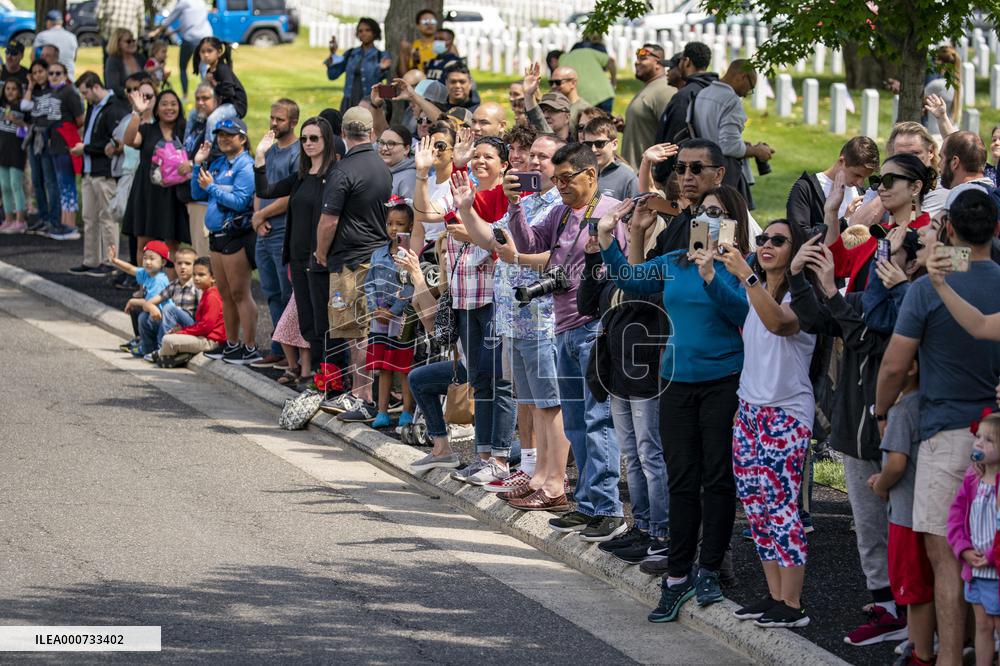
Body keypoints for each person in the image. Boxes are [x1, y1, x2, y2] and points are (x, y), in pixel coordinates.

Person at [597, 187, 750, 621]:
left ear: (735, 221)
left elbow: (744, 316)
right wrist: (610, 239)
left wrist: (712, 276)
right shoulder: (672, 263)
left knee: (717, 479)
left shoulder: (741, 267)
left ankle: (710, 570)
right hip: (676, 383)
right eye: (704, 211)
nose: (709, 217)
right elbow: (629, 281)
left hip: (723, 382)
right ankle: (678, 575)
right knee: (682, 479)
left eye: (719, 213)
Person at [876, 187, 1000, 666]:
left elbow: (893, 365)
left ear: (947, 229)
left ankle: (949, 657)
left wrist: (881, 410)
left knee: (947, 556)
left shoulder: (929, 288)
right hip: (994, 429)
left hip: (946, 434)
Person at [507, 143, 626, 541]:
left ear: (590, 175)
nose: (560, 187)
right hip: (562, 327)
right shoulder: (559, 213)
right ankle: (587, 504)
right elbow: (528, 246)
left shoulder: (611, 211)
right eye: (555, 180)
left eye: (567, 179)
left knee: (598, 419)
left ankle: (608, 507)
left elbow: (622, 265)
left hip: (595, 326)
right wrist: (515, 207)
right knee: (576, 423)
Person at [456, 132, 570, 506]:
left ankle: (555, 480)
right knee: (534, 401)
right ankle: (537, 474)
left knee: (551, 402)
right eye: (532, 156)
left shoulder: (560, 205)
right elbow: (492, 239)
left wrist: (517, 259)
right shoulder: (525, 200)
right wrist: (467, 208)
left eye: (544, 157)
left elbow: (556, 258)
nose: (534, 163)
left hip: (543, 318)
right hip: (514, 317)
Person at [717, 219, 816, 629]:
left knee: (782, 508)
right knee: (756, 510)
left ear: (794, 251)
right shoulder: (753, 289)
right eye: (762, 239)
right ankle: (774, 596)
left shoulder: (803, 298)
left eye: (778, 240)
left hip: (785, 414)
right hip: (750, 411)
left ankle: (793, 604)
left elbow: (780, 323)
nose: (767, 244)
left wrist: (747, 273)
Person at [579, 193, 670, 562]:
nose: (630, 229)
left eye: (638, 226)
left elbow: (634, 288)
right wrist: (590, 257)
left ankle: (661, 531)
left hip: (647, 375)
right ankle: (643, 525)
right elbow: (587, 304)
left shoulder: (656, 271)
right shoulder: (617, 269)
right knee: (632, 456)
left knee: (650, 455)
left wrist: (627, 241)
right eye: (628, 225)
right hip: (617, 374)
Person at [314, 106, 393, 418]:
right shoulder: (382, 166)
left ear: (343, 134)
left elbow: (328, 222)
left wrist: (321, 252)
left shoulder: (343, 170)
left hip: (349, 259)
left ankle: (360, 395)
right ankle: (365, 392)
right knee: (368, 328)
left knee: (352, 331)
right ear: (372, 133)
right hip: (377, 256)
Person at [254, 116, 338, 376]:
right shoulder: (301, 176)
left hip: (321, 258)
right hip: (298, 258)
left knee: (322, 320)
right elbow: (266, 190)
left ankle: (327, 375)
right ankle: (313, 374)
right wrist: (260, 158)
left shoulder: (334, 175)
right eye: (304, 139)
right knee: (306, 319)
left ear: (326, 140)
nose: (308, 143)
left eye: (314, 138)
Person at [868, 358, 934, 666]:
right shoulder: (931, 404)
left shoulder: (902, 410)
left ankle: (919, 653)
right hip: (930, 511)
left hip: (905, 515)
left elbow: (895, 463)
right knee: (934, 582)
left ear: (910, 369)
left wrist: (880, 484)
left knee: (913, 591)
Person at [191, 118, 258, 365]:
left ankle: (250, 346)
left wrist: (213, 188)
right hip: (217, 236)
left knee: (240, 292)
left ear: (242, 138)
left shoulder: (245, 165)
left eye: (230, 134)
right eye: (220, 134)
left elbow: (241, 201)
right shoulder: (217, 163)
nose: (223, 138)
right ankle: (231, 343)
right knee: (225, 293)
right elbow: (197, 192)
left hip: (235, 235)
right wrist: (198, 165)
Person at [822, 154, 935, 293]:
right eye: (878, 181)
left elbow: (965, 261)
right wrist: (831, 212)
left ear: (915, 187)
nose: (880, 188)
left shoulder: (933, 234)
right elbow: (838, 263)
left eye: (889, 180)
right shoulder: (880, 234)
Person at [947, 413, 1000, 666]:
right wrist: (963, 549)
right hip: (976, 572)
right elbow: (955, 518)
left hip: (996, 572)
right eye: (978, 436)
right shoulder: (972, 479)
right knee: (981, 625)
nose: (978, 443)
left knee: (997, 625)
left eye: (989, 440)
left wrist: (991, 557)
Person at [251, 99, 300, 368]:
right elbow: (261, 188)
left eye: (279, 119)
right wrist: (257, 218)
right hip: (263, 230)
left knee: (286, 293)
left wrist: (263, 215)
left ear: (293, 122)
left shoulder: (298, 152)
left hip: (283, 230)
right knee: (269, 291)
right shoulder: (268, 150)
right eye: (272, 118)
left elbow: (291, 194)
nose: (273, 123)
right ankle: (276, 347)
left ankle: (287, 350)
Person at [362, 198, 416, 428]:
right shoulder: (378, 255)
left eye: (400, 224)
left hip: (401, 319)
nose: (394, 228)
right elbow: (370, 283)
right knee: (383, 366)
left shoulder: (411, 256)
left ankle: (406, 411)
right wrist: (375, 308)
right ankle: (382, 411)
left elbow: (411, 286)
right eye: (390, 223)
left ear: (410, 227)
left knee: (404, 365)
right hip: (380, 318)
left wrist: (393, 311)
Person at [68, 72, 128, 276]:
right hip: (89, 170)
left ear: (95, 87)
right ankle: (91, 259)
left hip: (104, 171)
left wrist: (85, 148)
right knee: (89, 217)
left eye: (85, 92)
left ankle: (110, 261)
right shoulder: (93, 106)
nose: (84, 97)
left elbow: (115, 142)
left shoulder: (114, 108)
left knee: (107, 218)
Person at [691, 59, 772, 210]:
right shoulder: (731, 101)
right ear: (742, 77)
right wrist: (757, 151)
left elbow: (713, 134)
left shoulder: (704, 92)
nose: (748, 94)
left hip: (701, 166)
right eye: (751, 87)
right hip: (723, 174)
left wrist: (744, 145)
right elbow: (729, 147)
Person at [122, 88, 189, 253]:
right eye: (164, 104)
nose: (169, 108)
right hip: (147, 192)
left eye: (173, 104)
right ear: (157, 109)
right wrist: (137, 112)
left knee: (173, 243)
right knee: (145, 243)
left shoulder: (185, 130)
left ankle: (170, 279)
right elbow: (129, 140)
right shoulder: (147, 130)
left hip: (175, 194)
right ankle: (145, 279)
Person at [22, 60, 83, 240]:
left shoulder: (66, 92)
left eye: (57, 73)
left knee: (58, 183)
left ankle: (63, 224)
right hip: (45, 141)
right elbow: (25, 107)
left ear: (65, 75)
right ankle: (54, 221)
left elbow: (79, 119)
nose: (53, 76)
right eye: (52, 73)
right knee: (46, 182)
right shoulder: (49, 92)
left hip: (59, 143)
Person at [785, 136, 879, 235]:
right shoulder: (805, 189)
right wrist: (845, 222)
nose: (860, 183)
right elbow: (800, 235)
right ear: (841, 161)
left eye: (865, 177)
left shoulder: (859, 192)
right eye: (857, 175)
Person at [653, 42, 716, 180]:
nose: (668, 70)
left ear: (686, 62)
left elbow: (674, 141)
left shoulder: (684, 96)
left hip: (681, 175)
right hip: (708, 168)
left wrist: (661, 175)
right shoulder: (714, 93)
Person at [157, 256, 227, 368]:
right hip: (204, 337)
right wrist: (182, 330)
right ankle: (173, 356)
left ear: (213, 278)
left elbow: (205, 327)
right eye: (194, 275)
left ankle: (164, 356)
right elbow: (200, 324)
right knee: (170, 337)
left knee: (167, 340)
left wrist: (182, 332)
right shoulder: (207, 293)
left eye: (201, 275)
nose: (196, 278)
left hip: (211, 342)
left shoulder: (212, 296)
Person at [106, 240, 171, 356]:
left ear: (163, 262)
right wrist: (115, 261)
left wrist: (132, 301)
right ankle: (142, 340)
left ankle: (149, 348)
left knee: (141, 316)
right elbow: (131, 269)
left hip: (162, 319)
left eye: (152, 258)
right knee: (137, 310)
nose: (147, 261)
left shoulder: (159, 280)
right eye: (145, 258)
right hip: (154, 314)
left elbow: (148, 304)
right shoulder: (148, 273)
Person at [138, 247, 200, 357]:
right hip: (172, 323)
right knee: (144, 317)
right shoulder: (173, 285)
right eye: (179, 263)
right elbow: (149, 302)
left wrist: (185, 328)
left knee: (168, 309)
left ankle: (162, 349)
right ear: (174, 265)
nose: (183, 267)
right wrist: (151, 306)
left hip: (191, 325)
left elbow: (202, 316)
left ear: (195, 266)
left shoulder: (197, 287)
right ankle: (148, 350)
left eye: (187, 263)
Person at [622, 44, 674, 170]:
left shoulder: (664, 90)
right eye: (637, 58)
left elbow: (669, 134)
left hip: (647, 174)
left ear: (658, 63)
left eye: (643, 58)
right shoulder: (649, 86)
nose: (637, 62)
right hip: (635, 173)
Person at [148, 0, 213, 100]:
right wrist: (175, 31)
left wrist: (156, 32)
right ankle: (208, 93)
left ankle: (185, 96)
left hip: (191, 38)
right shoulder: (200, 2)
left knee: (183, 67)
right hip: (206, 36)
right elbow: (192, 21)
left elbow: (169, 19)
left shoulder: (183, 2)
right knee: (203, 67)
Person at [181, 82, 217, 257]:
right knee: (197, 253)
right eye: (197, 99)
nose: (201, 102)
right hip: (191, 196)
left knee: (204, 257)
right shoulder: (197, 123)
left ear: (216, 100)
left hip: (205, 200)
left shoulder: (217, 128)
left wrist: (191, 165)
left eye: (206, 98)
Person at [325, 18, 391, 112]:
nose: (363, 33)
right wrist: (332, 54)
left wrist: (380, 69)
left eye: (367, 30)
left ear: (375, 33)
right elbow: (332, 75)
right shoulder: (350, 53)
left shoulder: (381, 55)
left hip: (370, 103)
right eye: (360, 31)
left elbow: (385, 82)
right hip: (348, 101)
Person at [410, 123, 458, 248]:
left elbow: (424, 214)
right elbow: (417, 233)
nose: (434, 151)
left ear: (454, 151)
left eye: (440, 146)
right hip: (426, 254)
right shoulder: (424, 181)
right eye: (430, 146)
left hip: (448, 251)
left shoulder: (459, 184)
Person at [193, 37, 247, 138]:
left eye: (209, 51)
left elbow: (229, 92)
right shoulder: (210, 70)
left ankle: (209, 149)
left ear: (219, 52)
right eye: (202, 52)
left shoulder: (222, 69)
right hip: (222, 103)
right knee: (194, 114)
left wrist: (214, 83)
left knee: (212, 119)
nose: (206, 55)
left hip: (235, 105)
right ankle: (187, 146)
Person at [579, 116, 639, 201]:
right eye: (588, 144)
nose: (593, 149)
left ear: (614, 144)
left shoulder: (628, 177)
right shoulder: (579, 173)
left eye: (599, 143)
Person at [559, 34, 616, 111]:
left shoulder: (563, 59)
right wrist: (613, 82)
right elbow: (611, 61)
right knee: (607, 122)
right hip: (605, 94)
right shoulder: (589, 51)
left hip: (585, 98)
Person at [0, 77, 27, 235]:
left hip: (16, 150)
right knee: (4, 186)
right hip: (2, 150)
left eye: (13, 89)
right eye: (7, 89)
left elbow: (28, 126)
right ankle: (8, 219)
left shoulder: (22, 108)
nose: (10, 92)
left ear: (19, 91)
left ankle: (20, 220)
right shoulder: (2, 106)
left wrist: (17, 121)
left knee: (16, 185)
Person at [33, 10, 77, 79]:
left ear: (49, 22)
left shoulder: (42, 36)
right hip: (69, 78)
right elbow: (74, 58)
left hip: (50, 79)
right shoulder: (72, 37)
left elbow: (34, 58)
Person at [398, 8, 440, 77]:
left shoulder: (444, 45)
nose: (429, 24)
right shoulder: (412, 46)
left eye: (433, 21)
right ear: (418, 25)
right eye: (425, 22)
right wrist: (403, 52)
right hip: (417, 86)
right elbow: (404, 75)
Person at [377, 125, 415, 200]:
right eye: (381, 142)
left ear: (406, 149)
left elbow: (408, 210)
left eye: (391, 144)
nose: (384, 148)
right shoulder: (376, 169)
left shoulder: (410, 178)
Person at [547, 66, 590, 132]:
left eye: (558, 82)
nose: (553, 86)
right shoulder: (549, 106)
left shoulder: (585, 109)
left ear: (573, 83)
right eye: (551, 83)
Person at [103, 28, 144, 97]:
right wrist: (132, 93)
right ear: (118, 44)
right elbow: (112, 88)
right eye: (128, 41)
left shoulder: (140, 57)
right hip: (122, 102)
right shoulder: (112, 61)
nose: (132, 43)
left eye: (133, 40)